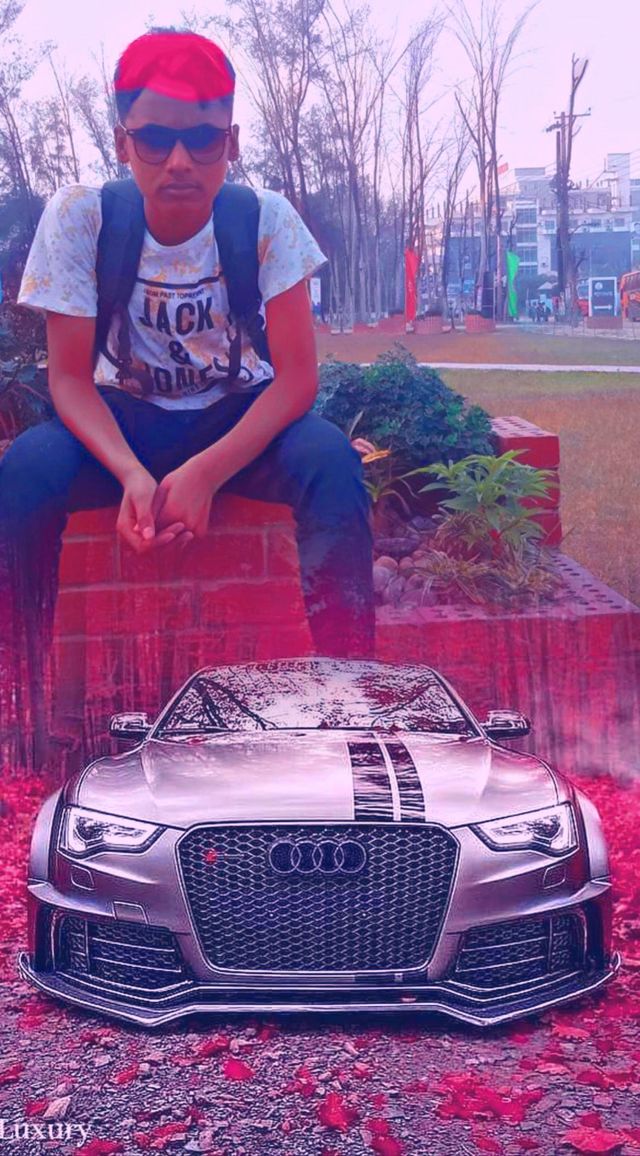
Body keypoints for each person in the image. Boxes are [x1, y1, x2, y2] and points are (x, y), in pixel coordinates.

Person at [0, 28, 375, 762]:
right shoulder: (81, 217)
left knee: (331, 463)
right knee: (24, 475)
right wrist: (130, 474)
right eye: (155, 139)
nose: (179, 160)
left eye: (202, 139)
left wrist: (207, 472)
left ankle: (349, 699)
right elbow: (68, 379)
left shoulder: (266, 220)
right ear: (122, 141)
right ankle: (19, 709)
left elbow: (297, 378)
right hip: (120, 419)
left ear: (231, 142)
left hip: (236, 416)